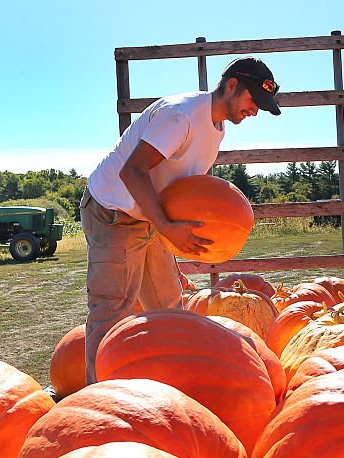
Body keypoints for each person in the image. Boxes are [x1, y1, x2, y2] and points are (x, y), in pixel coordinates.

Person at [80, 57, 281, 384]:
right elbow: (132, 171)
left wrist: (168, 240)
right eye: (252, 101)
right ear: (231, 85)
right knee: (112, 310)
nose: (254, 111)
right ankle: (100, 398)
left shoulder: (217, 130)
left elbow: (181, 191)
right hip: (113, 210)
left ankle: (171, 387)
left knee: (169, 308)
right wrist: (164, 226)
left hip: (149, 214)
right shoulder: (180, 116)